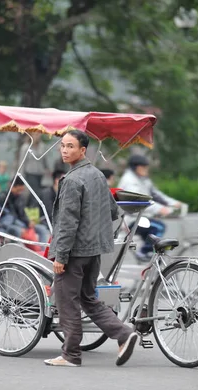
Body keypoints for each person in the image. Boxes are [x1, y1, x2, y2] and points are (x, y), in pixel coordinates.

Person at [44, 129, 138, 368]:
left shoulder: (72, 180)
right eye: (62, 145)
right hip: (94, 251)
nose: (65, 150)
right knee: (88, 298)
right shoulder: (97, 175)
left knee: (67, 302)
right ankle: (124, 334)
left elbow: (67, 223)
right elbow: (113, 211)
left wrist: (61, 256)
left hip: (74, 253)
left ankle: (71, 355)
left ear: (82, 150)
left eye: (70, 146)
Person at [118, 154, 181, 261]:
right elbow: (139, 200)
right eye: (144, 167)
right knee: (159, 227)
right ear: (137, 167)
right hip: (131, 219)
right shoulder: (130, 181)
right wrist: (159, 209)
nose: (147, 170)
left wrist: (172, 203)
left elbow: (156, 194)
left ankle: (151, 262)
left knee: (154, 240)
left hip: (141, 217)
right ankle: (144, 253)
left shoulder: (143, 179)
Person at [0, 177, 50, 243]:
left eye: (21, 190)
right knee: (19, 230)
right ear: (13, 187)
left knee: (43, 229)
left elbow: (22, 213)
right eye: (18, 190)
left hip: (22, 223)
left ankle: (42, 252)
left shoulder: (19, 197)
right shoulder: (4, 197)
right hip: (12, 224)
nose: (20, 193)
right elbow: (9, 216)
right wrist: (22, 225)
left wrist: (28, 222)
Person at [18, 133, 49, 207]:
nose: (37, 136)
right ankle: (33, 209)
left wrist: (47, 169)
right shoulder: (26, 147)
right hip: (30, 173)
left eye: (38, 134)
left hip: (40, 174)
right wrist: (21, 176)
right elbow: (22, 162)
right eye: (35, 134)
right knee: (35, 193)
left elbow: (45, 160)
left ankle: (33, 209)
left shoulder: (42, 146)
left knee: (39, 193)